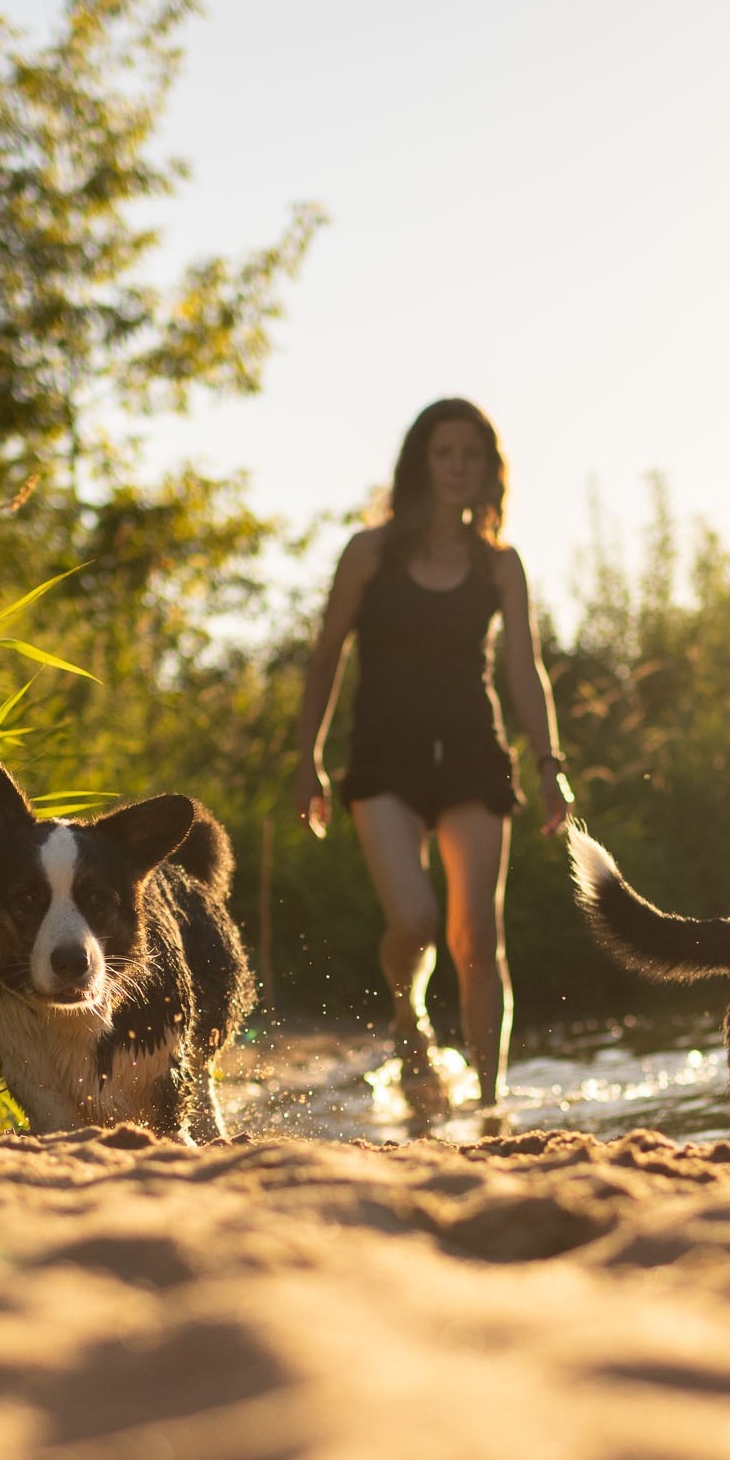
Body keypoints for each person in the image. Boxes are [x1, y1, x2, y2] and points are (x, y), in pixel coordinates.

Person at [292, 398, 574, 1115]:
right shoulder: (370, 554)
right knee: (416, 921)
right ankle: (407, 1013)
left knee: (477, 931)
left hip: (474, 755)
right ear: (422, 464)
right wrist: (308, 757)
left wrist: (551, 764)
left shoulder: (500, 565)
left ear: (488, 471)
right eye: (444, 454)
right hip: (384, 757)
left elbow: (523, 669)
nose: (457, 467)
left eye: (471, 456)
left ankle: (488, 1104)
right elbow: (327, 656)